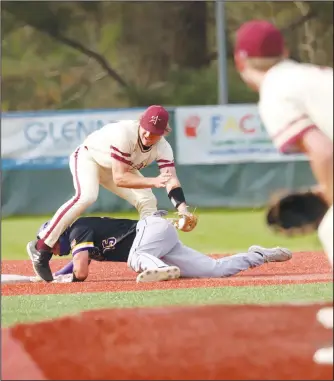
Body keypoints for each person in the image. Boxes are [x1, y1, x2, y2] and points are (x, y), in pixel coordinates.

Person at [233, 20, 333, 365]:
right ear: (285, 52)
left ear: (240, 63)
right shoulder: (305, 75)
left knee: (332, 227)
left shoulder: (275, 89)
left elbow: (323, 151)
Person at [26, 105, 197, 283]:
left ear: (163, 132)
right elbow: (120, 179)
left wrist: (183, 210)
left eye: (154, 133)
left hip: (116, 168)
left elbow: (171, 180)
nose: (148, 136)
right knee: (86, 196)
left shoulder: (163, 147)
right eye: (146, 130)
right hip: (89, 158)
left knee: (147, 200)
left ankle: (147, 253)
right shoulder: (125, 134)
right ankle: (41, 247)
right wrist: (153, 181)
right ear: (140, 123)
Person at [33, 211, 292, 284]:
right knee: (215, 270)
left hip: (151, 231)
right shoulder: (80, 238)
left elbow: (81, 272)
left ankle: (163, 271)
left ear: (59, 233)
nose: (51, 250)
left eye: (50, 244)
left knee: (136, 259)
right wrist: (56, 277)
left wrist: (65, 280)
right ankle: (258, 255)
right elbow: (80, 263)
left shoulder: (78, 229)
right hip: (156, 244)